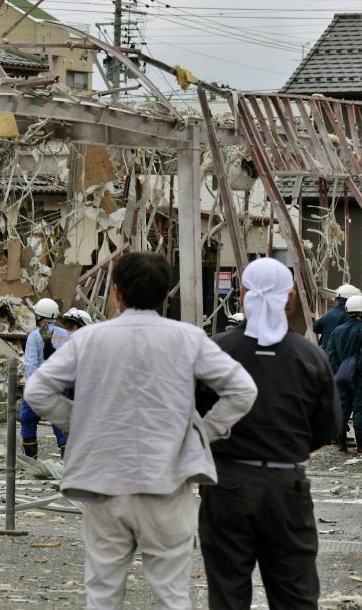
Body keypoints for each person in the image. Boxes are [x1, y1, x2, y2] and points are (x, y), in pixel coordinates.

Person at [25, 252, 257, 610]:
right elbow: (243, 390)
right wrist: (202, 432)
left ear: (116, 293)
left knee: (102, 593)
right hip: (168, 482)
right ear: (166, 296)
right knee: (173, 594)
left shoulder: (90, 339)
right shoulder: (189, 338)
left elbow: (38, 390)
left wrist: (81, 424)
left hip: (104, 483)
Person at [200, 257, 339, 609]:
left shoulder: (217, 351)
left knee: (228, 591)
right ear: (289, 298)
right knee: (295, 593)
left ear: (242, 295)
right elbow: (329, 427)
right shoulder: (310, 356)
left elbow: (194, 414)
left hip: (225, 484)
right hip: (285, 486)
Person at [19, 298, 70, 459]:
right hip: (60, 386)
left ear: (39, 316)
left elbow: (31, 365)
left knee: (27, 419)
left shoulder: (34, 336)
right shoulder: (65, 334)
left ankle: (31, 458)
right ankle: (66, 459)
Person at [326, 294, 362, 455]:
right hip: (359, 376)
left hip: (340, 376)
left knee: (342, 409)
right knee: (359, 409)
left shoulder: (337, 331)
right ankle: (360, 447)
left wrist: (338, 372)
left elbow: (331, 354)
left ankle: (342, 447)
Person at [315, 283, 359, 349]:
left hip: (326, 356)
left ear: (337, 298)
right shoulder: (356, 317)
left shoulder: (327, 315)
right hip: (346, 357)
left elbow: (315, 328)